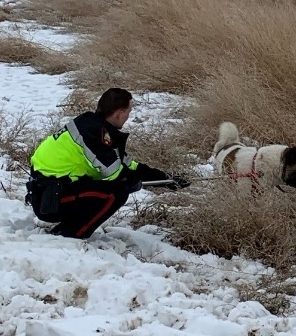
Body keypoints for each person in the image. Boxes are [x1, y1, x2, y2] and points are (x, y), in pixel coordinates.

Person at [26, 88, 188, 238]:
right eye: (129, 112)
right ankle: (69, 235)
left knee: (120, 184)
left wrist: (167, 179)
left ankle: (68, 229)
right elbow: (115, 174)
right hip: (49, 199)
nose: (129, 116)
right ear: (118, 113)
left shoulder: (96, 126)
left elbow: (129, 165)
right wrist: (132, 180)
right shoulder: (93, 132)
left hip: (53, 193)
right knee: (117, 192)